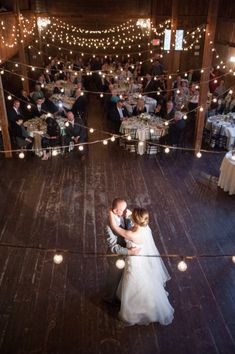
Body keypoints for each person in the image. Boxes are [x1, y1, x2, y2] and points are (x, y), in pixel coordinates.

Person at [108, 207, 174, 326]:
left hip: (134, 261)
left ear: (135, 219)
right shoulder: (144, 227)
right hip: (142, 258)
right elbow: (132, 215)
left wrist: (110, 213)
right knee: (146, 281)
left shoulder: (132, 234)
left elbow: (114, 228)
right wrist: (127, 212)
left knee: (134, 282)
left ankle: (136, 311)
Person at [104, 198, 140, 304]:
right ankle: (108, 299)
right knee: (113, 278)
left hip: (126, 252)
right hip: (116, 257)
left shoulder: (124, 215)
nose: (126, 211)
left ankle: (119, 295)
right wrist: (129, 252)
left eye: (126, 208)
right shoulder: (108, 226)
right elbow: (113, 247)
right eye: (123, 210)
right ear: (115, 211)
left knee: (122, 278)